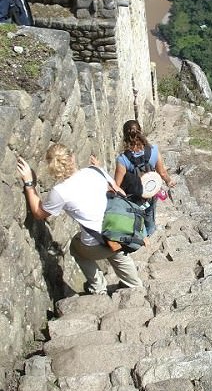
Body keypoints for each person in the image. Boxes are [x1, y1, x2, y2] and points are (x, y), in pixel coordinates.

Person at [17, 144, 143, 295]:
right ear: (73, 157)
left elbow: (39, 213)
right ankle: (134, 285)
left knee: (75, 246)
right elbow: (119, 191)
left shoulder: (60, 192)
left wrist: (29, 183)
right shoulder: (95, 170)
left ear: (52, 170)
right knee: (116, 242)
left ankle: (98, 287)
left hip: (97, 244)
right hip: (121, 233)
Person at [114, 120, 176, 236]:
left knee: (136, 220)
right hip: (150, 193)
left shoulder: (123, 159)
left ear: (125, 136)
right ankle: (150, 234)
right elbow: (162, 173)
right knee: (149, 217)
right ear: (140, 131)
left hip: (134, 197)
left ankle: (140, 237)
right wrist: (169, 181)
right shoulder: (153, 150)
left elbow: (117, 186)